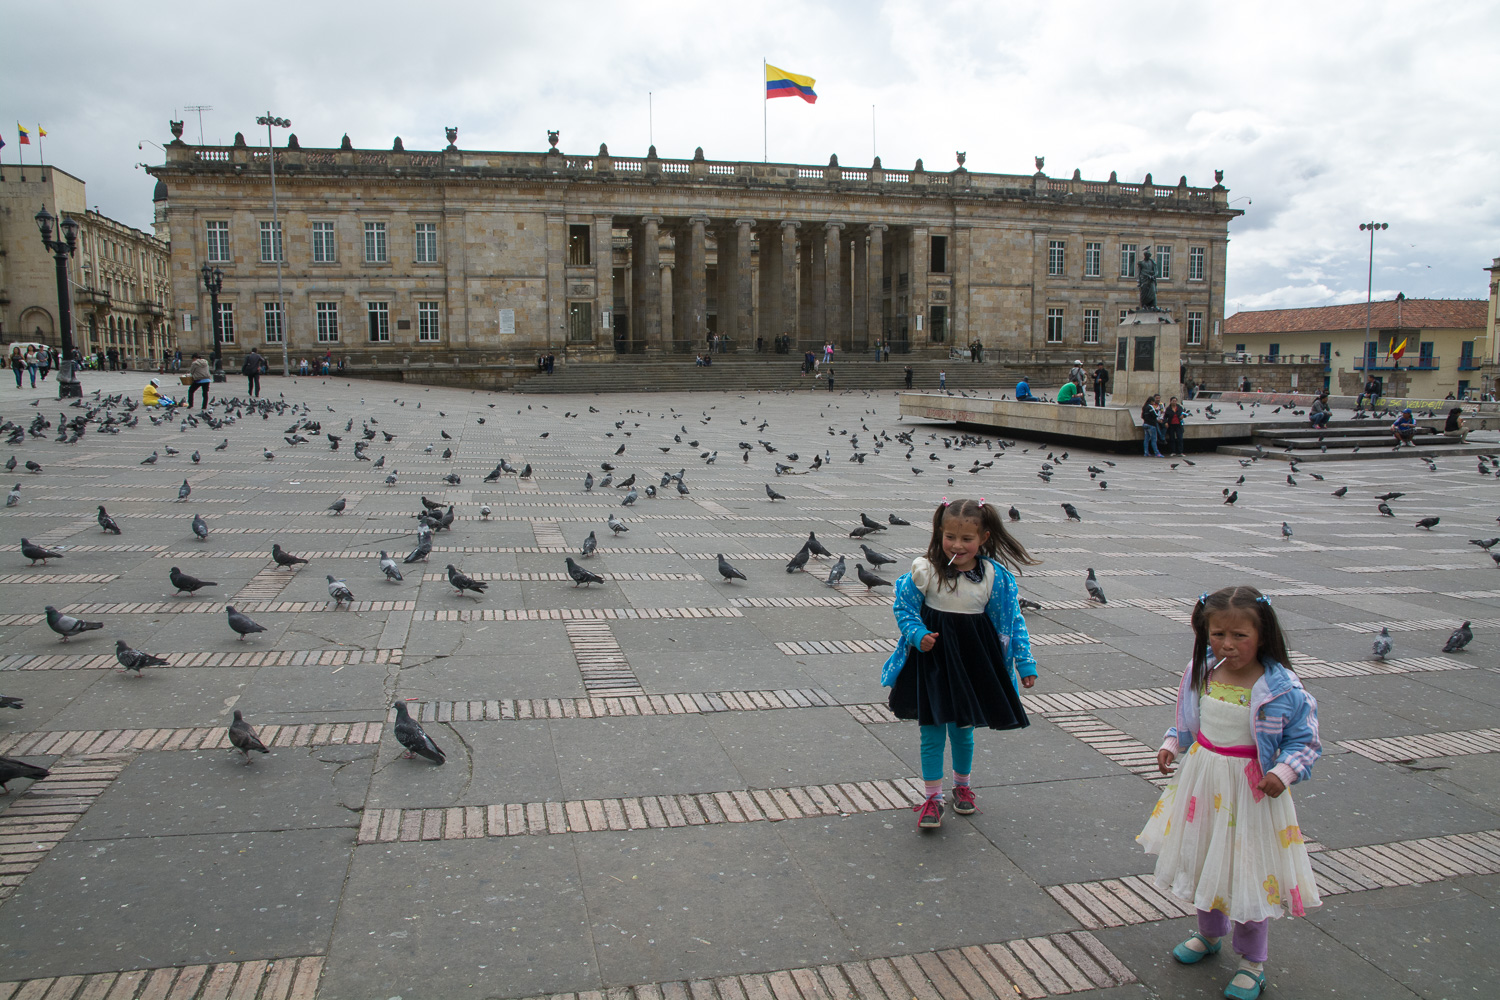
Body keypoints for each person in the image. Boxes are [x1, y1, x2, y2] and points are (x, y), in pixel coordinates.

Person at [1139, 587, 1322, 1000]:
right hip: (1203, 784)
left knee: (1248, 873)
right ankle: (1209, 934)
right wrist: (1173, 743)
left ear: (1262, 635)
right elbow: (1188, 721)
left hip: (1251, 792)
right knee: (1206, 860)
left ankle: (1253, 961)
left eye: (1240, 635)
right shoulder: (1200, 670)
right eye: (1218, 633)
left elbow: (1305, 742)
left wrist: (1283, 771)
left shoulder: (1281, 687)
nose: (1228, 644)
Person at [882, 498, 1039, 830]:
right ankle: (932, 797)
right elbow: (904, 607)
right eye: (950, 536)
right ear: (939, 532)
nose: (957, 545)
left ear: (983, 537)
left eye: (967, 538)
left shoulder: (994, 577)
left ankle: (962, 785)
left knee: (963, 730)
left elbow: (1012, 621)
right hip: (933, 662)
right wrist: (916, 634)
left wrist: (1024, 663)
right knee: (931, 730)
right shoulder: (925, 570)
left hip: (972, 660)